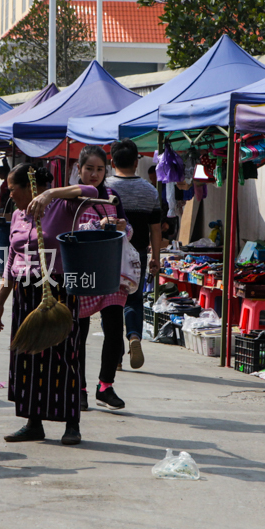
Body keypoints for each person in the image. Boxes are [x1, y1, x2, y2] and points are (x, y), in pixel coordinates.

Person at [0, 163, 105, 446]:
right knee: (28, 355)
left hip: (60, 290)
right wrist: (0, 301)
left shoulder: (63, 207)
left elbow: (92, 189)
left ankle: (72, 423)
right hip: (26, 294)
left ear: (30, 187)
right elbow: (13, 261)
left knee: (65, 355)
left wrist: (50, 194)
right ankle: (33, 423)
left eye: (13, 188)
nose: (10, 194)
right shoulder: (17, 214)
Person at [71, 145, 132, 411]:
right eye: (89, 168)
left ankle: (105, 386)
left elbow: (127, 229)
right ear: (79, 169)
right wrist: (92, 228)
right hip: (82, 271)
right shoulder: (70, 197)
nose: (94, 174)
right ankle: (80, 388)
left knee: (115, 332)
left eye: (99, 169)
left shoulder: (111, 195)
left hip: (110, 271)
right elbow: (64, 233)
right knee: (78, 335)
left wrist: (120, 227)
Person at [105, 139, 163, 372]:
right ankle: (134, 336)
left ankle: (116, 356)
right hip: (136, 254)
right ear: (136, 161)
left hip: (108, 253)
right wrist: (155, 257)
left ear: (111, 161)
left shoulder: (105, 188)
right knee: (134, 299)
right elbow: (156, 229)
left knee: (110, 305)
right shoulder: (150, 191)